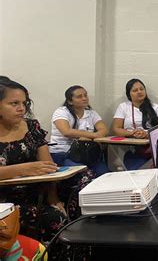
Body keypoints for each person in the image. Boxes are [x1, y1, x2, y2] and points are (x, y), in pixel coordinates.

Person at [0, 79, 93, 257]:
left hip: (37, 188)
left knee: (85, 181)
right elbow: (30, 168)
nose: (22, 108)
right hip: (6, 200)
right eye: (14, 103)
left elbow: (48, 166)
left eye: (24, 103)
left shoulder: (31, 126)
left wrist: (53, 198)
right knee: (52, 218)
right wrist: (24, 169)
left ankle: (82, 243)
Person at [49, 85, 109, 175]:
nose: (84, 98)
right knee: (84, 174)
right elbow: (66, 131)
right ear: (70, 101)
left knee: (104, 173)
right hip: (63, 152)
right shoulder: (61, 112)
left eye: (85, 95)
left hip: (86, 153)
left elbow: (104, 129)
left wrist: (94, 135)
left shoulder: (91, 113)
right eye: (79, 97)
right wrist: (94, 135)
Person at [111, 78, 158, 170]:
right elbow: (116, 129)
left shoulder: (156, 107)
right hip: (132, 147)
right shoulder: (123, 107)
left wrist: (146, 133)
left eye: (141, 89)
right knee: (136, 170)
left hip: (153, 148)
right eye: (135, 90)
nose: (139, 92)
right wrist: (133, 133)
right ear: (129, 94)